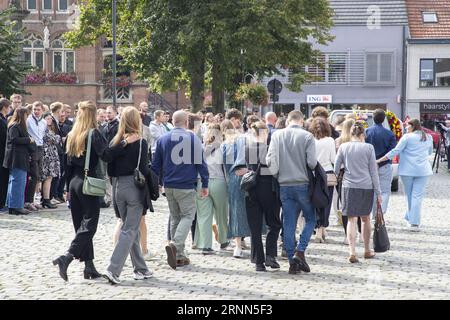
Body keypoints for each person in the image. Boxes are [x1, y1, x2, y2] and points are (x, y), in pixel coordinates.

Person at [52, 101, 130, 282]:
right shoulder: (93, 133)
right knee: (89, 226)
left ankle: (89, 267)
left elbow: (67, 164)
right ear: (93, 115)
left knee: (81, 225)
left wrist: (66, 189)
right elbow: (107, 155)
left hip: (73, 182)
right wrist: (124, 142)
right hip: (88, 184)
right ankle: (68, 256)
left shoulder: (72, 134)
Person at [152, 110, 209, 269]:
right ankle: (175, 245)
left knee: (175, 217)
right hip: (186, 184)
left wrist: (156, 183)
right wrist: (205, 184)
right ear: (186, 122)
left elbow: (156, 165)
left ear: (172, 120)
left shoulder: (163, 138)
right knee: (188, 216)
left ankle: (179, 256)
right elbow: (201, 163)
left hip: (169, 185)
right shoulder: (193, 138)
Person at [104, 106, 153, 284]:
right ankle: (113, 269)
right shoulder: (141, 142)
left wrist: (123, 143)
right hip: (134, 187)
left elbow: (108, 161)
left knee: (131, 229)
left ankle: (141, 268)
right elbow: (145, 168)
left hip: (118, 187)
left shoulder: (116, 141)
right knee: (130, 229)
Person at [266, 110, 317, 274]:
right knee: (310, 219)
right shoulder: (308, 136)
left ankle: (291, 260)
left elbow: (270, 160)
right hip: (303, 184)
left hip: (284, 184)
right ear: (301, 121)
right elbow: (312, 163)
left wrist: (277, 174)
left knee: (288, 223)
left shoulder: (277, 135)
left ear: (288, 121)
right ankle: (300, 251)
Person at [334, 121, 381, 263]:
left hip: (348, 186)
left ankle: (352, 251)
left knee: (351, 219)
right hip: (366, 186)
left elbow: (336, 168)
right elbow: (373, 171)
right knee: (366, 219)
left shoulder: (343, 147)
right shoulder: (369, 148)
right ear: (362, 135)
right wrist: (378, 192)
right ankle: (367, 249)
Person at [377, 119, 433, 230]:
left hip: (408, 171)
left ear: (412, 126)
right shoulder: (428, 137)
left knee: (410, 195)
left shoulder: (407, 137)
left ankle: (414, 222)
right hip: (423, 171)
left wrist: (379, 160)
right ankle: (411, 218)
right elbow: (430, 152)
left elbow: (395, 151)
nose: (405, 127)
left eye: (407, 125)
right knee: (417, 196)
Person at [245, 121, 281, 272]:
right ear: (265, 133)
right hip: (269, 190)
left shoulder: (247, 148)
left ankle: (258, 261)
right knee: (274, 224)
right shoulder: (270, 148)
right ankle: (270, 256)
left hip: (251, 189)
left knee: (255, 227)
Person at [194, 123, 229, 254]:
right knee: (221, 214)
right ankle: (223, 240)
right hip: (219, 182)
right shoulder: (224, 147)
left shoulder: (201, 148)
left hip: (202, 183)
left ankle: (206, 245)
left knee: (204, 215)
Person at [222, 109, 251, 258]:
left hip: (233, 178)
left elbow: (224, 167)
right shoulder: (244, 139)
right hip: (247, 176)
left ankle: (238, 245)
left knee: (235, 211)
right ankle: (250, 240)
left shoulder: (225, 144)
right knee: (250, 209)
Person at [3, 108, 35, 215]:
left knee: (16, 182)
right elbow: (14, 139)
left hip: (19, 157)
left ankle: (13, 205)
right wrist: (29, 140)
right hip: (17, 158)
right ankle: (16, 206)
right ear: (22, 115)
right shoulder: (15, 126)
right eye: (26, 115)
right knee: (18, 182)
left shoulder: (17, 126)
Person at [365, 109, 397, 216]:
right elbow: (392, 152)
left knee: (373, 191)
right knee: (385, 191)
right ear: (384, 120)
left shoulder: (366, 132)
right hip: (385, 165)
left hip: (370, 165)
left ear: (373, 118)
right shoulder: (390, 134)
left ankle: (374, 215)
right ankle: (380, 214)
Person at [309, 117, 336, 243]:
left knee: (314, 201)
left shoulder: (310, 140)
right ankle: (321, 229)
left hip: (314, 173)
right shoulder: (330, 140)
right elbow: (333, 159)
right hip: (327, 173)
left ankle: (319, 228)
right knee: (326, 202)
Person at [25, 101, 47, 211]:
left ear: (43, 110)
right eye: (34, 109)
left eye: (38, 109)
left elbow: (42, 135)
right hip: (32, 148)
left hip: (40, 148)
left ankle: (33, 200)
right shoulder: (28, 120)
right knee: (33, 175)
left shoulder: (44, 122)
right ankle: (28, 201)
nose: (36, 111)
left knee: (38, 176)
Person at [40, 112, 61, 209]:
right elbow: (55, 139)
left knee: (50, 178)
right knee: (47, 177)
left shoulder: (50, 129)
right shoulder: (43, 129)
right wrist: (57, 137)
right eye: (47, 118)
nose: (49, 120)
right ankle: (45, 199)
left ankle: (46, 198)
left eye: (50, 119)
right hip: (47, 156)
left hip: (52, 155)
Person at [0, 98, 11, 212]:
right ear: (4, 107)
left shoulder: (4, 119)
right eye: (9, 107)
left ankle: (3, 202)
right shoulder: (1, 120)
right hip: (2, 153)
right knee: (2, 179)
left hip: (4, 153)